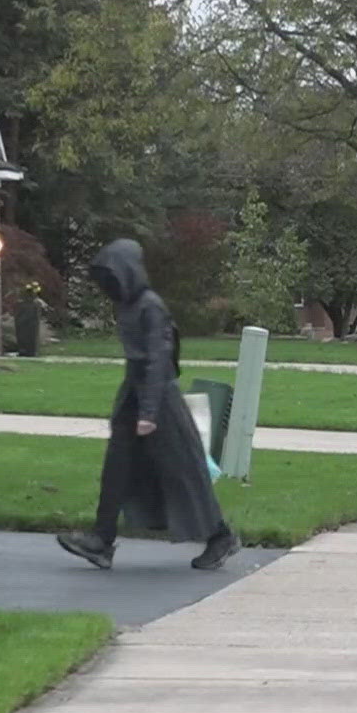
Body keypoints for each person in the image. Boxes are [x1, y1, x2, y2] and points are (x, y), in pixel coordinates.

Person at [57, 239, 241, 570]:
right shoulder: (128, 306)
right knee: (117, 466)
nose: (107, 287)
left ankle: (221, 536)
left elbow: (159, 360)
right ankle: (101, 539)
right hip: (135, 392)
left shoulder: (150, 306)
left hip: (161, 399)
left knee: (185, 471)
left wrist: (150, 413)